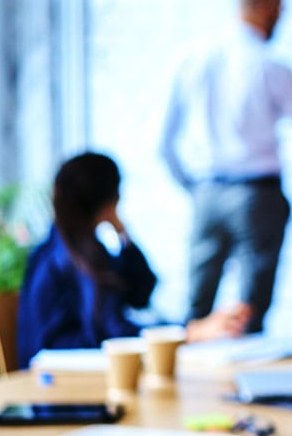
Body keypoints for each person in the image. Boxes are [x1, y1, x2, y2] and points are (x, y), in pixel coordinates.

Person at [159, 0, 292, 334]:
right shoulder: (271, 65)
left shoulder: (193, 57)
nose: (282, 16)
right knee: (249, 315)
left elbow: (163, 144)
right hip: (257, 198)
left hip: (207, 192)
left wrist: (197, 189)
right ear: (267, 7)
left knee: (195, 316)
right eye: (281, 8)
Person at [17, 152, 250, 368]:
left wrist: (122, 232)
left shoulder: (76, 250)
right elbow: (113, 333)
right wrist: (188, 332)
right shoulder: (65, 260)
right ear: (109, 202)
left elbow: (141, 292)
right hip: (62, 384)